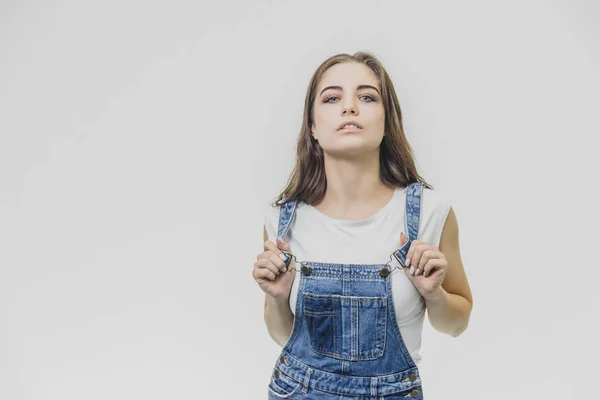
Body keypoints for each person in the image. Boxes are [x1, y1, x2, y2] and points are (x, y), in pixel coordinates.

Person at [252, 51, 473, 399]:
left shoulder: (429, 213)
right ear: (312, 126)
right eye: (332, 97)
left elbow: (457, 324)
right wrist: (278, 298)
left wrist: (433, 293)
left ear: (387, 122)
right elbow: (283, 335)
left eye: (367, 97)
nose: (349, 107)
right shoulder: (282, 219)